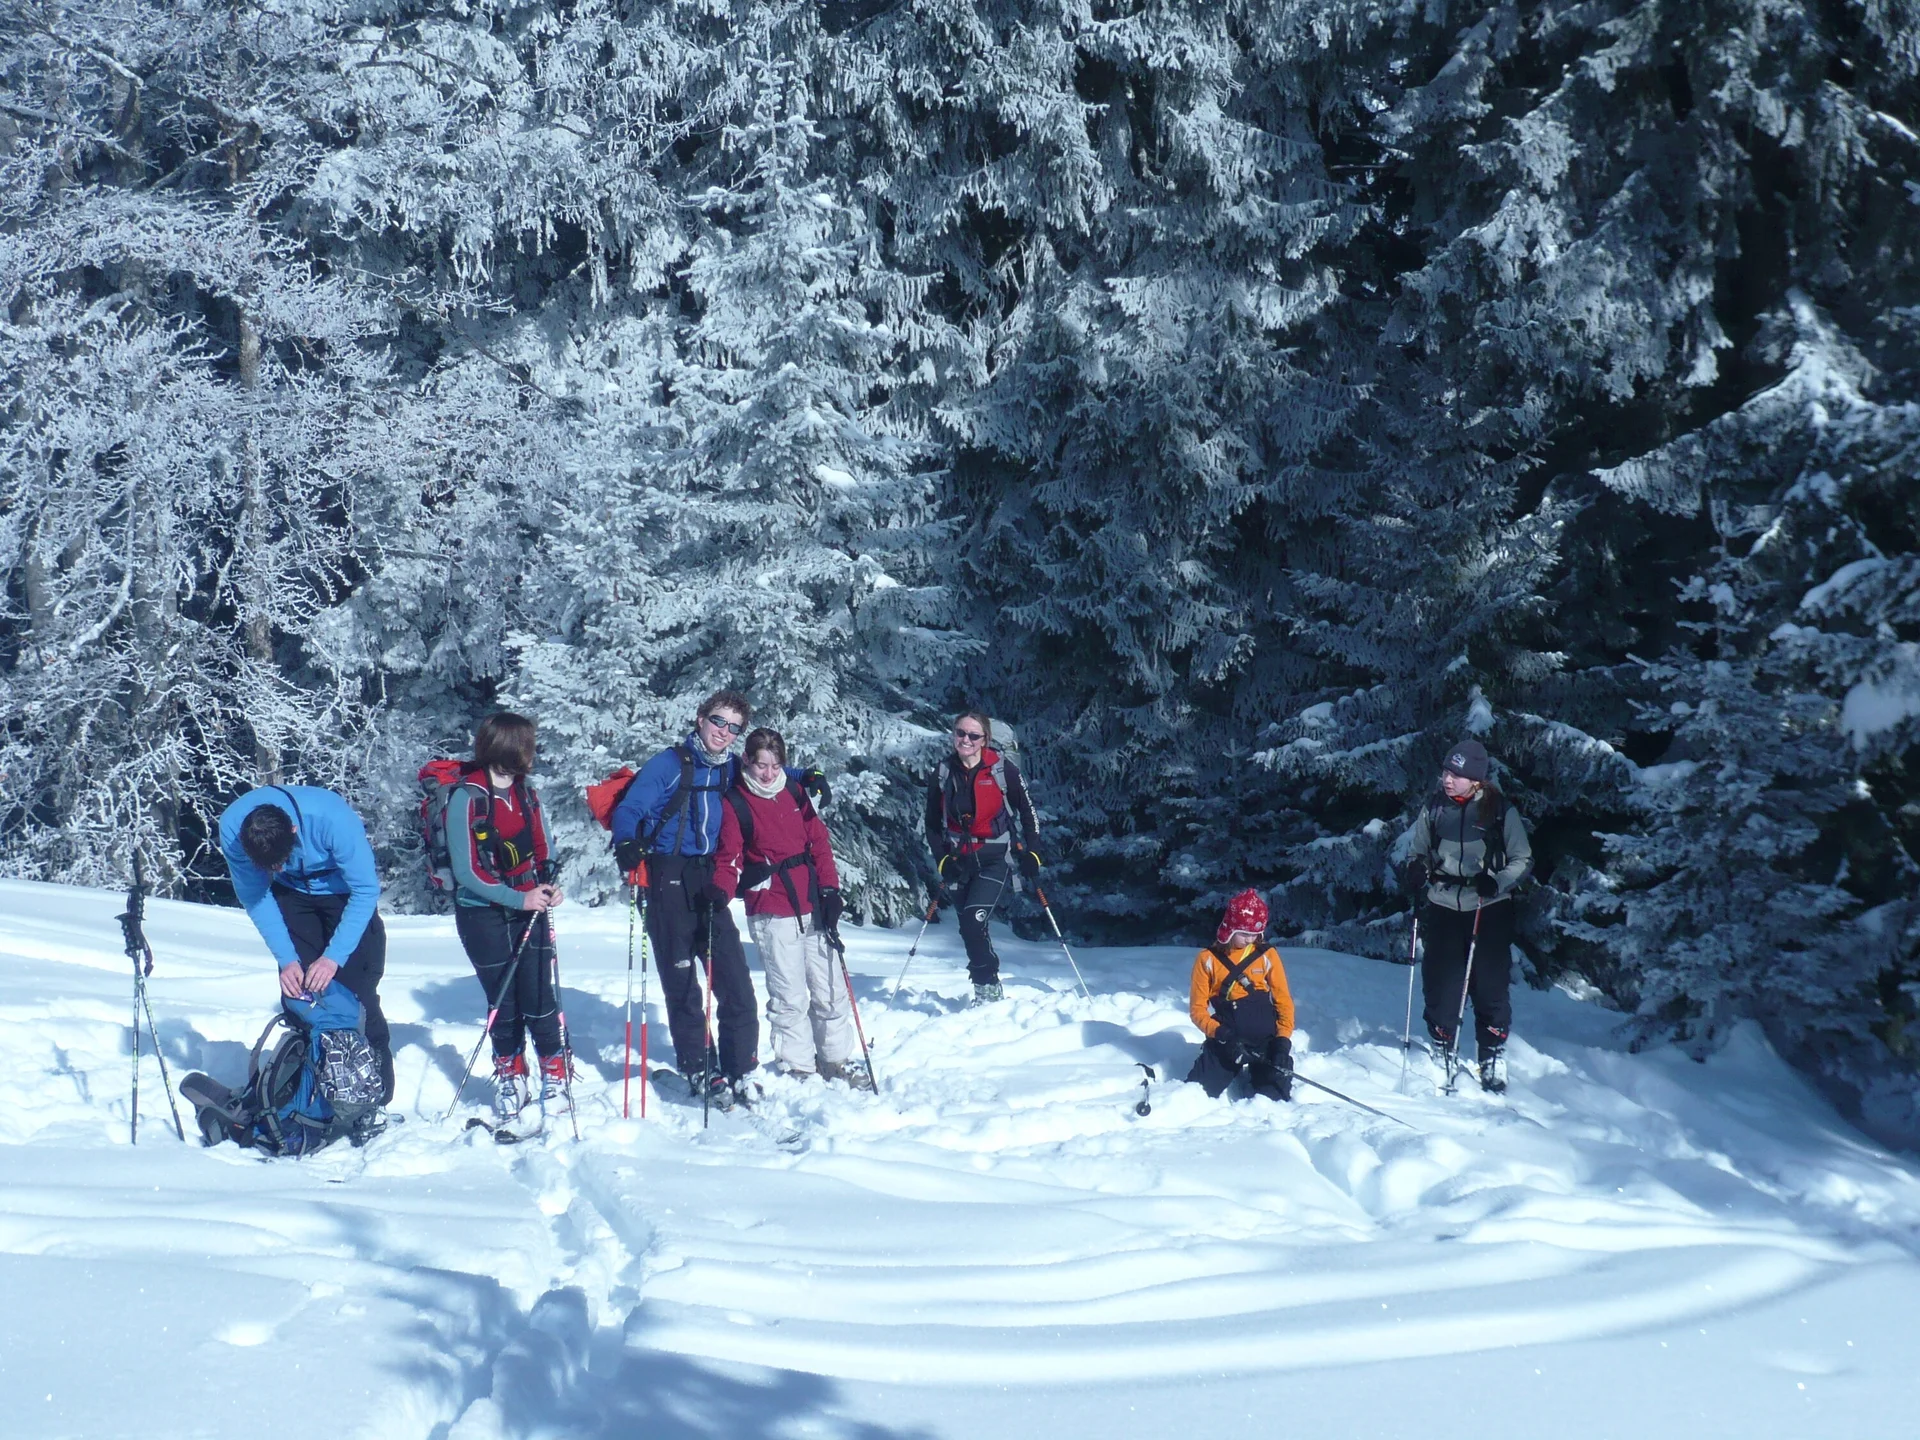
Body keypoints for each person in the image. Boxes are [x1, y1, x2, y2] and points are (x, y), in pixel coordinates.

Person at [610, 690, 815, 1105]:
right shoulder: (669, 765)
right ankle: (700, 1066)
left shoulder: (730, 768)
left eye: (733, 727)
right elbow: (629, 810)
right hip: (666, 874)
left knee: (734, 978)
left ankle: (740, 1067)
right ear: (701, 718)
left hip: (710, 877)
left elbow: (769, 771)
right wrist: (626, 843)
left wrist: (805, 776)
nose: (724, 732)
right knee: (682, 978)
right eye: (718, 721)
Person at [218, 784, 394, 1106]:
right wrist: (287, 960)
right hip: (293, 896)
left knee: (355, 993)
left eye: (283, 859)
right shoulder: (233, 831)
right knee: (300, 995)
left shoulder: (331, 819)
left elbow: (366, 890)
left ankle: (375, 1093)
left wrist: (333, 958)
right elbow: (256, 896)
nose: (279, 869)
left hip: (344, 894)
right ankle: (309, 1085)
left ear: (294, 830)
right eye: (270, 867)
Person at [709, 728, 864, 1085]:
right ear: (747, 760)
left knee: (830, 987)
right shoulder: (736, 801)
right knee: (790, 994)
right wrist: (720, 889)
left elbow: (819, 843)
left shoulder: (793, 791)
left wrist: (830, 890)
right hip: (770, 907)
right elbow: (728, 857)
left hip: (811, 901)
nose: (768, 773)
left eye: (775, 765)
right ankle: (798, 1067)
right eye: (761, 765)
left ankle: (836, 1059)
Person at [444, 712, 568, 1127]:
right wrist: (520, 898)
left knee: (540, 995)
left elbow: (542, 846)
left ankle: (555, 1070)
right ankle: (511, 1072)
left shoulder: (525, 793)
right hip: (483, 912)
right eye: (528, 746)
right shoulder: (466, 797)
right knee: (503, 999)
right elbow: (467, 872)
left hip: (527, 903)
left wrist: (547, 885)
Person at [1400, 738, 1533, 1093]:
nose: (1447, 779)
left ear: (1475, 778)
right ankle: (1443, 1045)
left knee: (1489, 986)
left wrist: (1498, 881)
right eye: (1446, 771)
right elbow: (1418, 851)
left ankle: (1491, 1052)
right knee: (1442, 985)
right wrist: (1417, 868)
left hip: (1486, 907)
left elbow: (1523, 860)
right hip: (1443, 905)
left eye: (1456, 774)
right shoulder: (1434, 808)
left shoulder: (1499, 810)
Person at [923, 711, 1040, 1003]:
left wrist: (1033, 852)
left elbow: (1028, 813)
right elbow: (931, 822)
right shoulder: (943, 771)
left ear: (985, 740)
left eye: (973, 736)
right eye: (961, 733)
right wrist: (942, 860)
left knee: (974, 922)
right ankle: (986, 982)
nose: (965, 740)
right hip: (959, 859)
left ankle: (986, 988)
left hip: (994, 857)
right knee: (969, 927)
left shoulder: (1002, 770)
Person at [1186, 889, 1294, 1101]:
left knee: (1273, 1098)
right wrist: (1223, 1036)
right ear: (1229, 929)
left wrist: (1282, 1043)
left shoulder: (1267, 955)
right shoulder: (1207, 959)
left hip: (1266, 1041)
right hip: (1227, 1041)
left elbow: (1283, 1000)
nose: (1250, 939)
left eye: (1256, 933)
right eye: (1244, 933)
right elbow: (1197, 1011)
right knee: (1196, 1095)